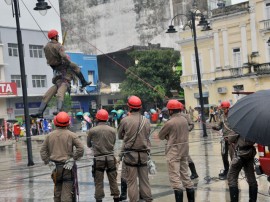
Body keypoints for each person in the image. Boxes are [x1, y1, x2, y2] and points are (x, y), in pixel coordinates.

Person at [31, 29, 91, 118]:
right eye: (57, 36)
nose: (58, 37)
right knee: (46, 96)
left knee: (60, 94)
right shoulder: (58, 47)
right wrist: (65, 60)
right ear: (55, 36)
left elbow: (52, 60)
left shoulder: (46, 47)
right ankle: (40, 112)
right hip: (58, 82)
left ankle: (59, 110)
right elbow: (63, 56)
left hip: (64, 82)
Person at [40, 112, 84, 202]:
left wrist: (48, 161)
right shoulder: (72, 135)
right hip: (67, 168)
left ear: (55, 122)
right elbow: (81, 148)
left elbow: (43, 151)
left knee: (57, 192)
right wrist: (73, 159)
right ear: (68, 123)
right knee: (67, 193)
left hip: (55, 168)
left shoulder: (49, 136)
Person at [158, 99, 195, 202]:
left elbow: (160, 136)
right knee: (186, 177)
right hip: (184, 152)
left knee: (175, 180)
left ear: (170, 111)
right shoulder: (184, 120)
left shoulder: (170, 122)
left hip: (173, 153)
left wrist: (168, 136)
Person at [118, 95, 153, 202]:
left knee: (131, 182)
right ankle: (148, 199)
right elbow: (147, 135)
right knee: (144, 180)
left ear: (129, 107)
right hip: (143, 155)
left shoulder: (125, 120)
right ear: (140, 107)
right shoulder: (146, 121)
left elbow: (120, 136)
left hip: (130, 156)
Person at [87, 109, 120, 202]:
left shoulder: (92, 130)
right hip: (110, 158)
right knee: (113, 180)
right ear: (106, 119)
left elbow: (88, 144)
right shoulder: (112, 130)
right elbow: (113, 142)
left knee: (98, 182)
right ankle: (116, 197)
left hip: (98, 159)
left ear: (97, 118)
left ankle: (99, 198)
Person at [227, 134, 257, 202]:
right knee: (251, 179)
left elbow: (231, 138)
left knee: (231, 177)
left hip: (240, 154)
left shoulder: (240, 126)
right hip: (249, 154)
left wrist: (229, 138)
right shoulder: (254, 129)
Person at [212, 101, 234, 180]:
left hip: (232, 140)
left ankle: (232, 172)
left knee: (232, 156)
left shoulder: (233, 116)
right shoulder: (221, 116)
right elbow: (219, 126)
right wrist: (215, 127)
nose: (222, 110)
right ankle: (226, 170)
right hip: (224, 139)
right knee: (224, 155)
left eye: (224, 109)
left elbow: (235, 128)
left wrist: (231, 137)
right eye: (222, 109)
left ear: (228, 108)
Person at [179, 103, 199, 180]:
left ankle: (194, 173)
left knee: (186, 156)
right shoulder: (172, 116)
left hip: (183, 139)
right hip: (175, 140)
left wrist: (186, 129)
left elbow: (191, 125)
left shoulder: (185, 116)